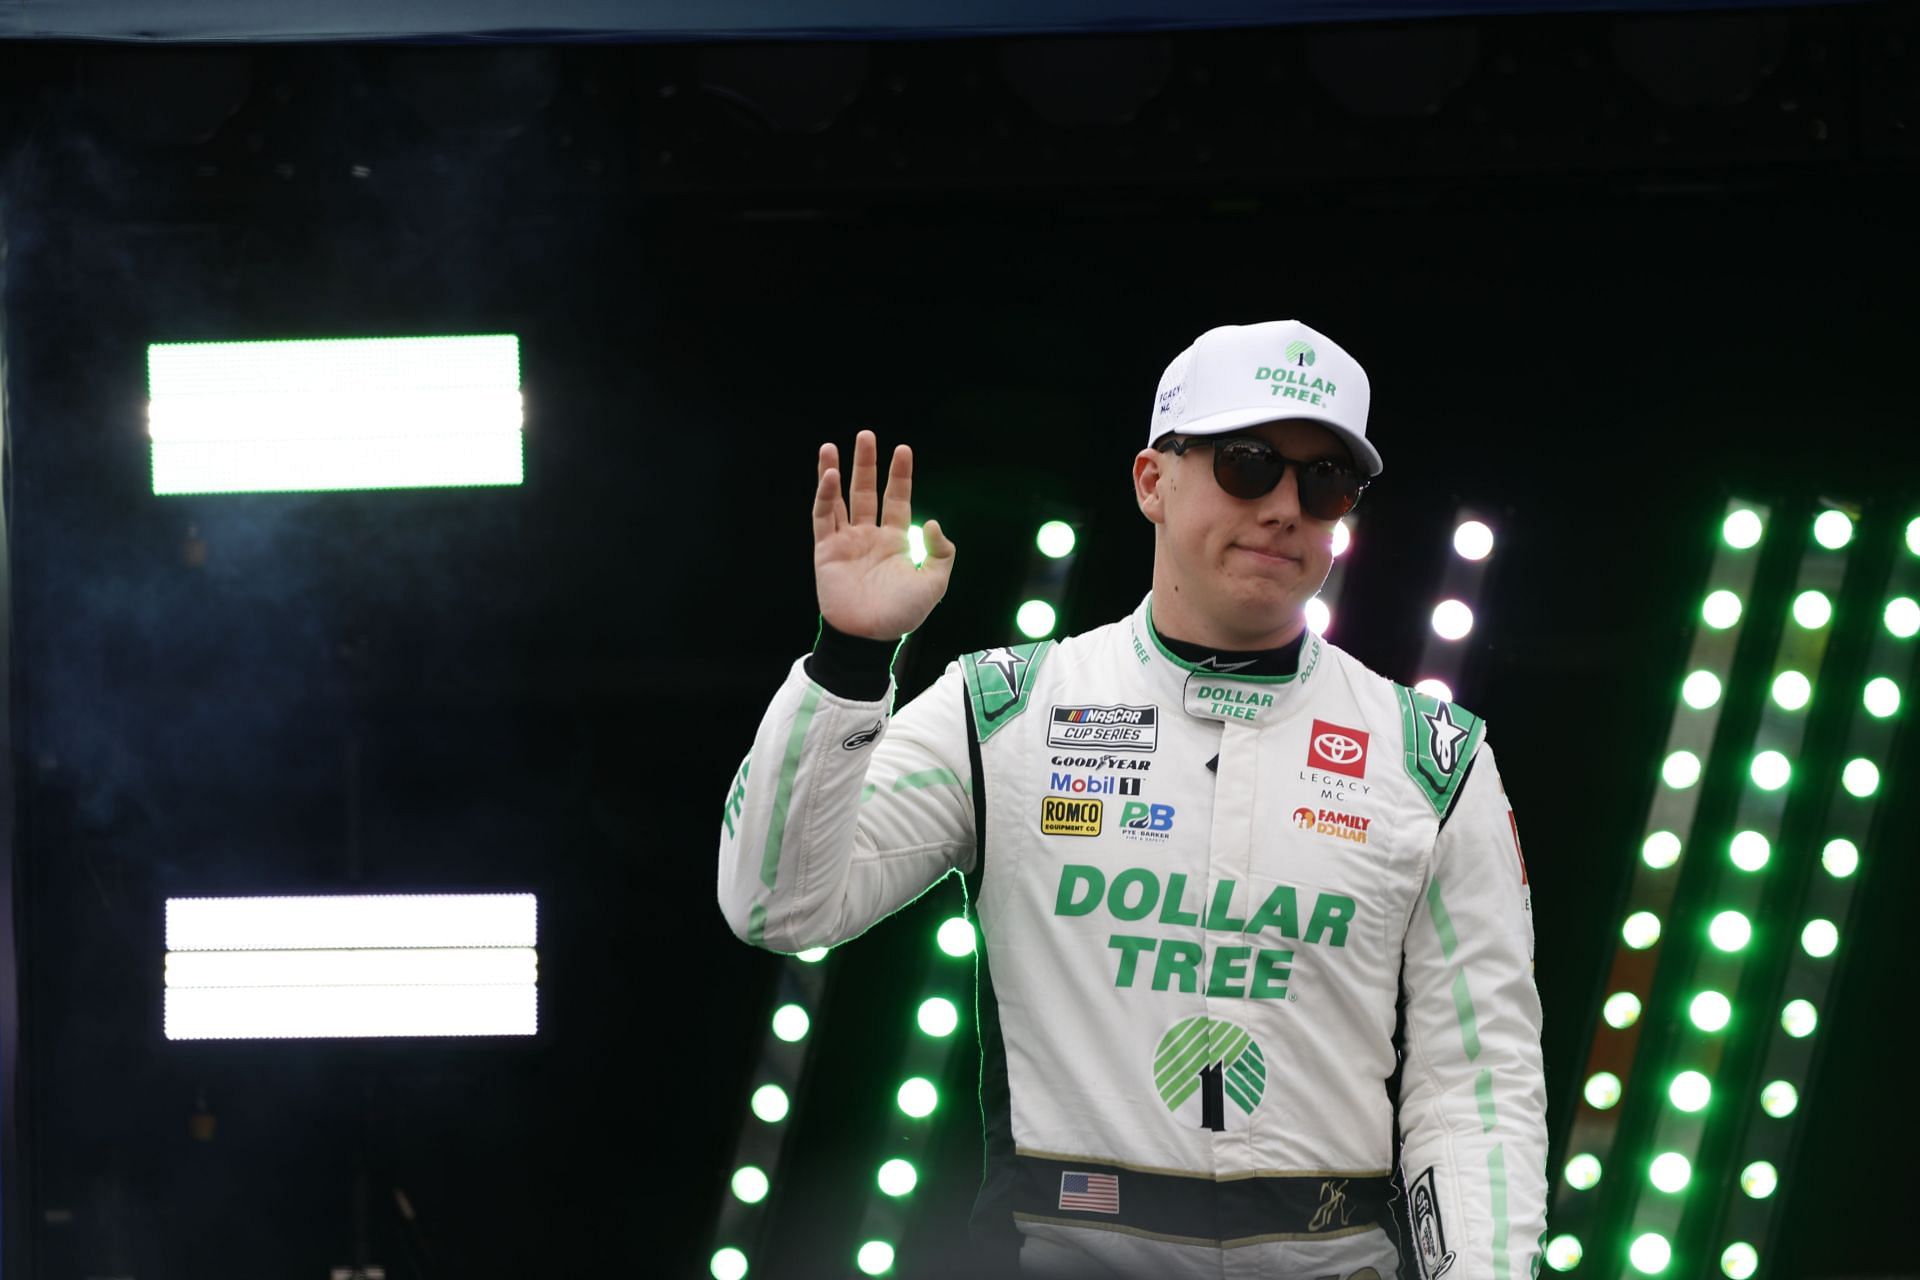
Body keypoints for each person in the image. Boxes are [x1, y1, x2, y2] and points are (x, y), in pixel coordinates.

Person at [717, 319, 1546, 1280]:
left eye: (1325, 482)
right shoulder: (1006, 711)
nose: (1286, 507)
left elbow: (1474, 1091)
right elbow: (778, 906)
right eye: (1249, 464)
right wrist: (852, 661)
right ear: (1153, 480)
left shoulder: (1432, 756)